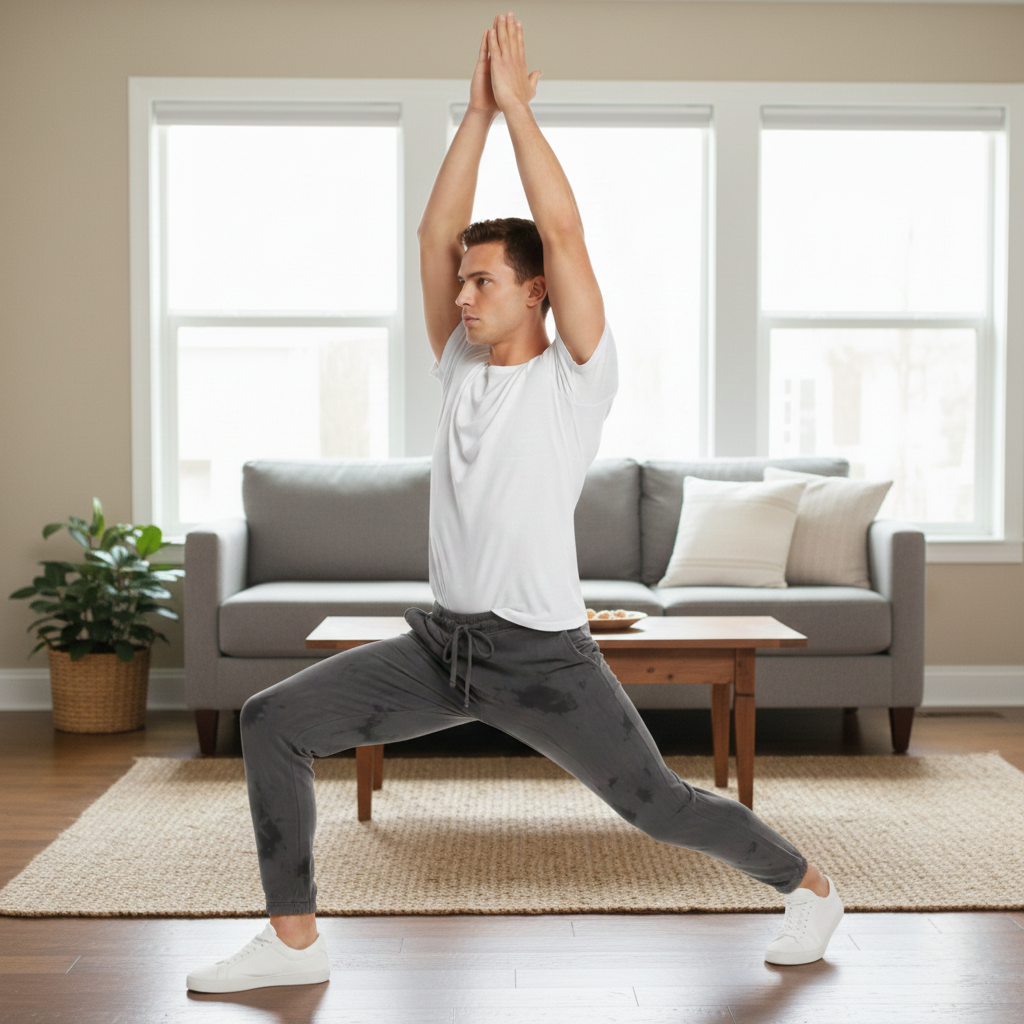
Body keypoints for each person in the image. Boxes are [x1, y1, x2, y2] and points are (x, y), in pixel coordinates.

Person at [186, 12, 844, 995]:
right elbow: (430, 232)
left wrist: (521, 115)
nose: (462, 294)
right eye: (462, 281)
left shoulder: (574, 378)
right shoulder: (459, 368)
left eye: (484, 281)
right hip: (439, 647)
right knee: (274, 719)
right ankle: (292, 942)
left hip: (542, 657)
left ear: (538, 293)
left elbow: (566, 231)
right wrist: (475, 116)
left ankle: (809, 886)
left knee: (656, 804)